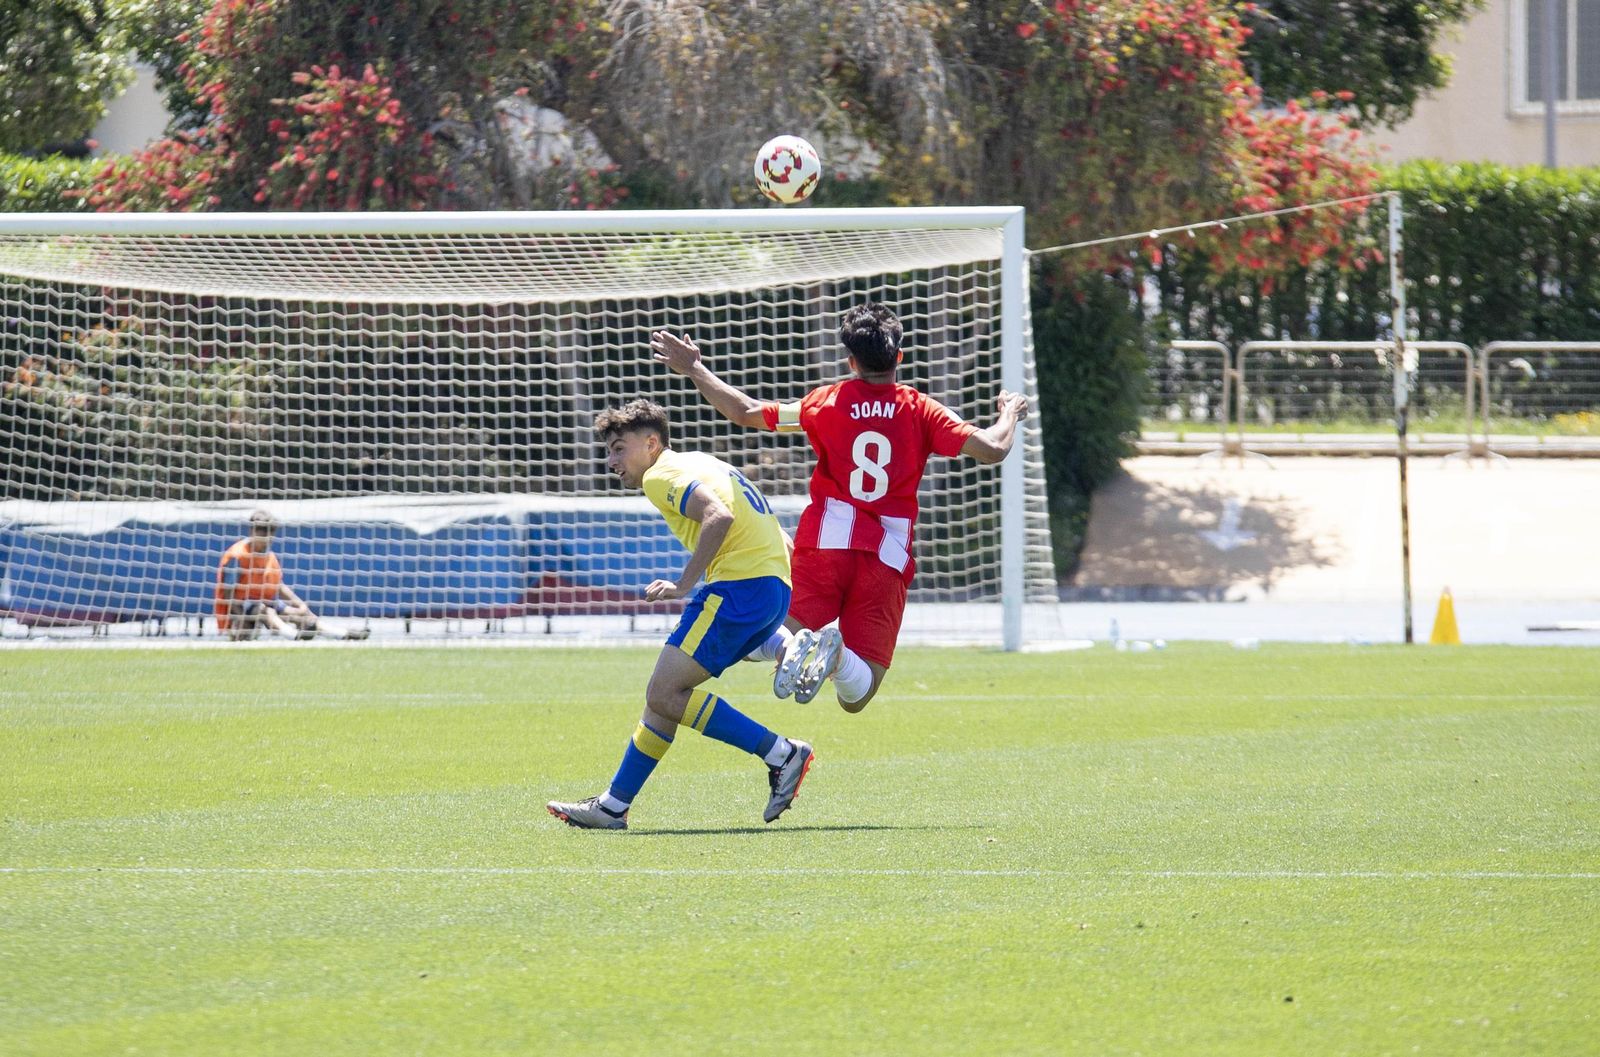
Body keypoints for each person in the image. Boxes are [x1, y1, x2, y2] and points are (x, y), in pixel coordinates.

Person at [649, 302, 1028, 712]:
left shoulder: (827, 403)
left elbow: (745, 412)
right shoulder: (920, 409)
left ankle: (793, 646)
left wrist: (694, 369)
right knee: (857, 696)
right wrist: (1008, 413)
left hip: (826, 544)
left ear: (851, 360)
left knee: (760, 631)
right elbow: (993, 449)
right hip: (886, 555)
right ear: (898, 356)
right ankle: (838, 657)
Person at [546, 399, 814, 830]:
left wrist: (684, 583)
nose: (610, 460)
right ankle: (614, 805)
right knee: (667, 698)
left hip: (737, 587)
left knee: (664, 693)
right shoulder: (702, 462)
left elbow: (718, 516)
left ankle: (782, 753)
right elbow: (770, 528)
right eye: (608, 451)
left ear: (651, 443)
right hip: (770, 587)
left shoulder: (660, 476)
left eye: (619, 448)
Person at [213, 511, 370, 641]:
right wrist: (240, 618)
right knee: (264, 611)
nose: (265, 538)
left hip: (267, 601)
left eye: (269, 533)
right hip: (241, 606)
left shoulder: (269, 556)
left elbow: (278, 586)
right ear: (252, 531)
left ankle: (343, 634)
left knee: (300, 614)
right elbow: (228, 593)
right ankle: (294, 636)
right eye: (261, 532)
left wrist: (300, 604)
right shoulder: (237, 556)